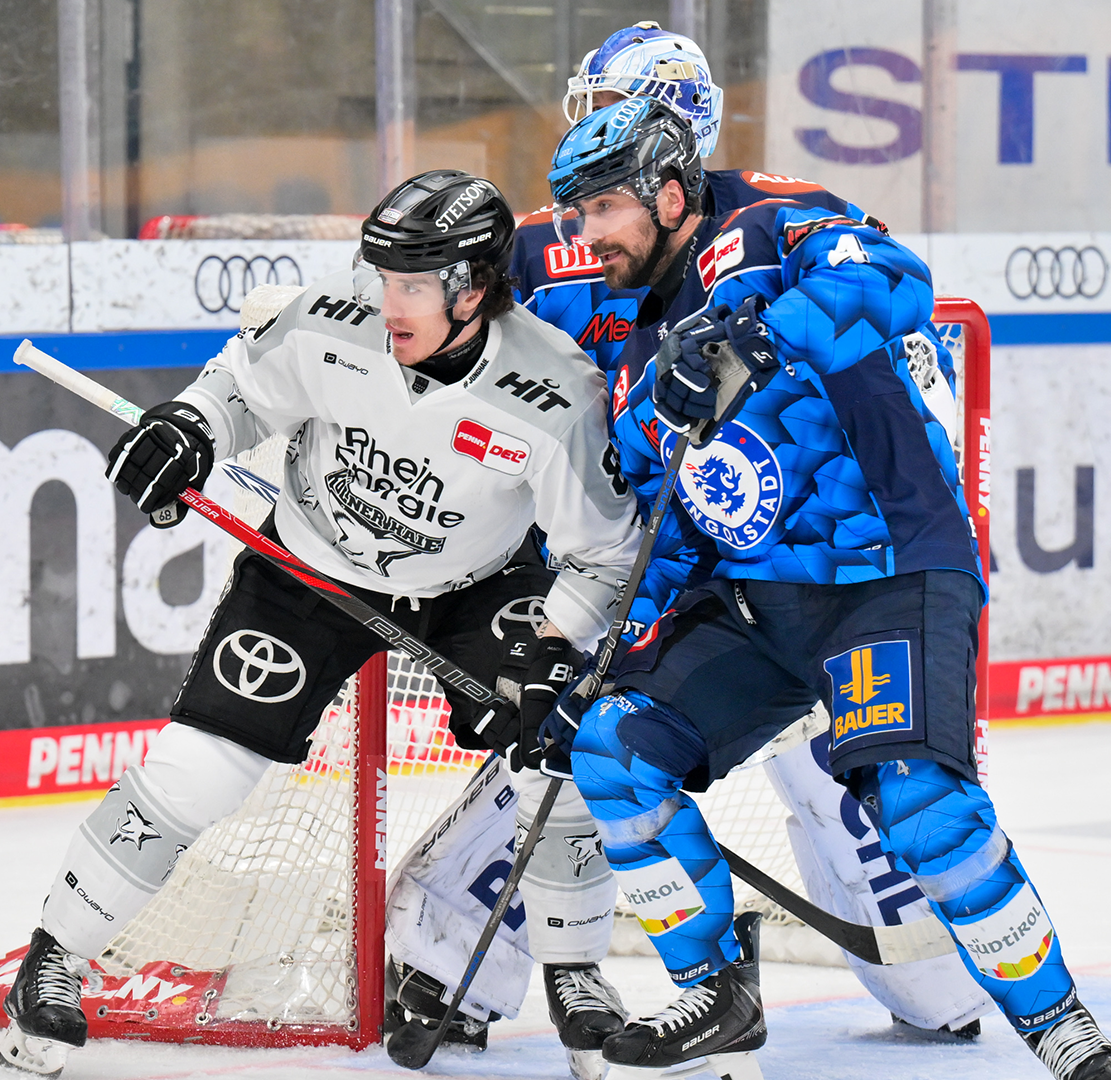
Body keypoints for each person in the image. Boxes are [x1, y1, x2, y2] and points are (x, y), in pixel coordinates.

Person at [386, 22, 992, 1077]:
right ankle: (464, 967)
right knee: (575, 743)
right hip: (633, 551)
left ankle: (932, 966)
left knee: (844, 759)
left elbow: (883, 339)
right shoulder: (547, 239)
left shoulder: (770, 218)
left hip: (775, 556)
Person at [0, 169, 642, 1076]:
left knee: (561, 754)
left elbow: (605, 553)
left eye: (413, 285)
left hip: (476, 582)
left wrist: (556, 644)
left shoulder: (555, 390)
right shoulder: (333, 318)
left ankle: (577, 976)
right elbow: (238, 389)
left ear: (474, 289)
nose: (389, 302)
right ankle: (54, 956)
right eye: (384, 277)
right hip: (309, 567)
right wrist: (188, 430)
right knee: (196, 771)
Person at [540, 98, 1111, 1080]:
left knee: (920, 805)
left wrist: (752, 338)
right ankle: (716, 992)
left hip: (888, 576)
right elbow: (670, 536)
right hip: (755, 609)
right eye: (576, 214)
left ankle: (1057, 1022)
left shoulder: (770, 227)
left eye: (602, 208)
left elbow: (894, 284)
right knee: (614, 750)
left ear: (669, 193)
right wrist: (606, 663)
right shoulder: (639, 359)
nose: (585, 234)